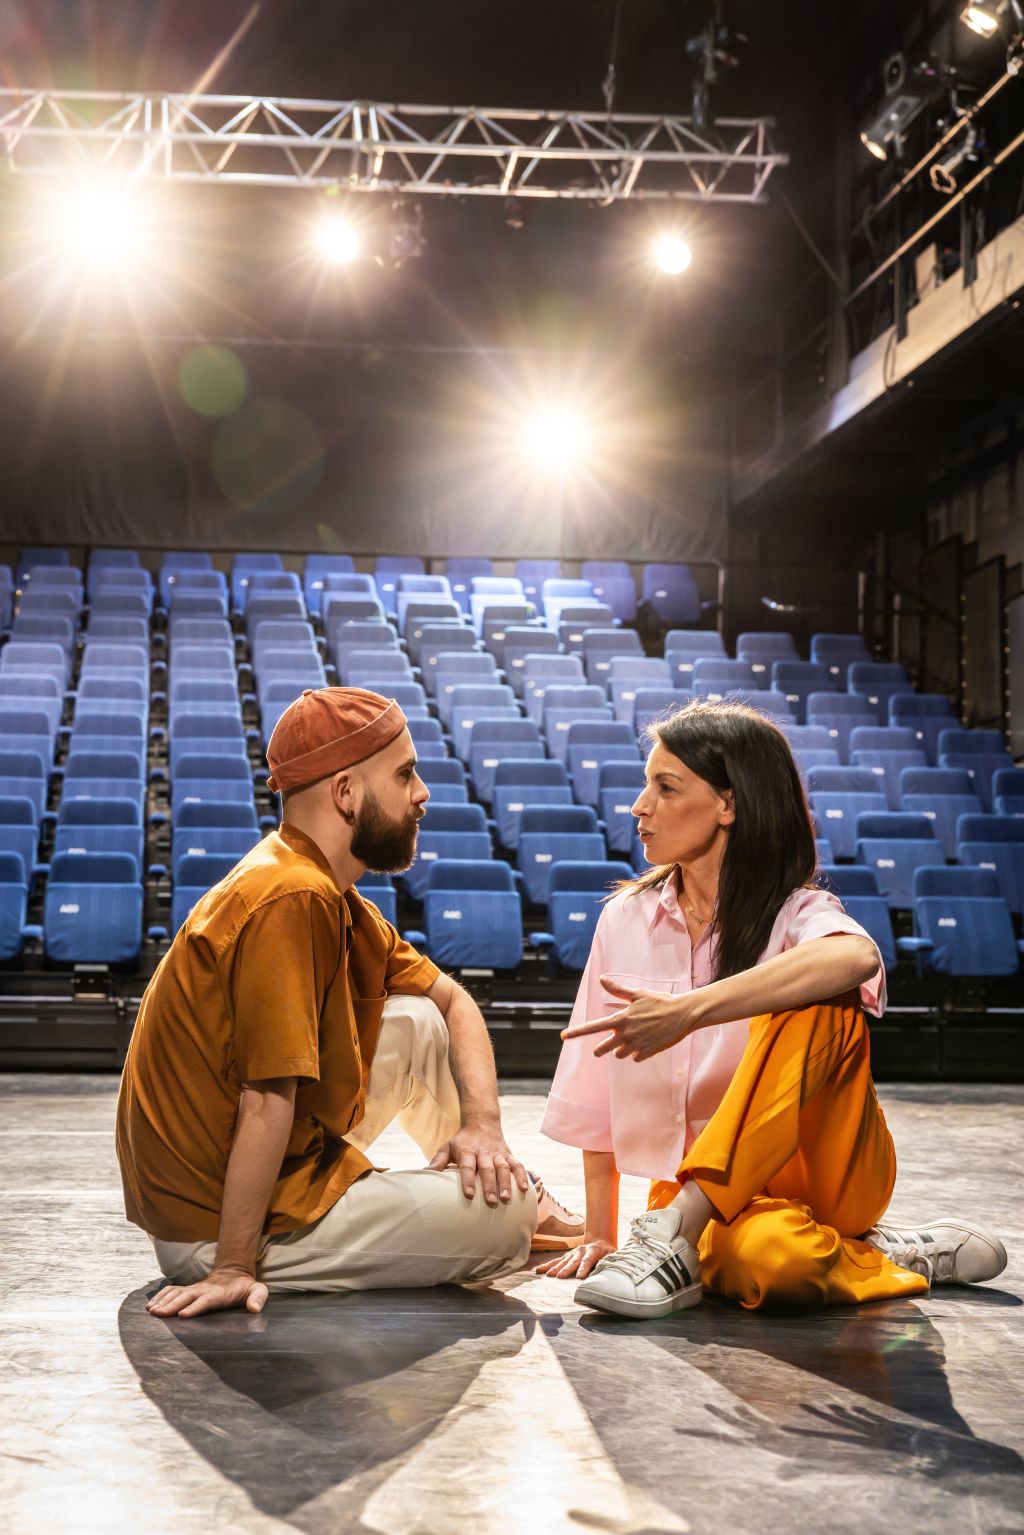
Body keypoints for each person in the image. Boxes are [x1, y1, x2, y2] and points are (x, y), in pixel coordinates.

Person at [117, 686, 583, 1319]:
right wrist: (231, 1267)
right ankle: (506, 1199)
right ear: (345, 793)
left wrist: (484, 1128)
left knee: (419, 1019)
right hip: (216, 1224)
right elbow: (266, 1097)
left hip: (270, 1173)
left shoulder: (325, 889)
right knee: (507, 1222)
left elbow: (453, 1003)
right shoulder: (292, 895)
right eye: (405, 774)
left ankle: (491, 1173)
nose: (422, 794)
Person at [537, 699, 1007, 1319]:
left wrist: (690, 1010)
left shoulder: (797, 911)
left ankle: (680, 1228)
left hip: (829, 1168)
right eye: (646, 785)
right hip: (693, 1186)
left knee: (818, 991)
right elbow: (594, 1079)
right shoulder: (624, 919)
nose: (639, 806)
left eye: (665, 787)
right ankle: (889, 1254)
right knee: (776, 1265)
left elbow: (854, 958)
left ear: (729, 805)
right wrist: (601, 1233)